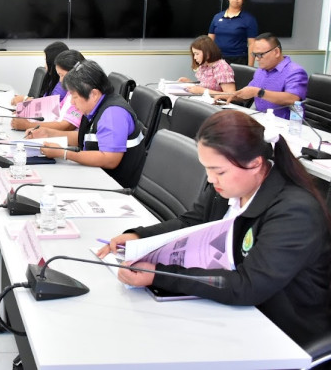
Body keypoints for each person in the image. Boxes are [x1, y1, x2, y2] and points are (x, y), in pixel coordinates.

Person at [98, 110, 331, 348]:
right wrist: (138, 236)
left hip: (282, 332)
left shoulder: (294, 213)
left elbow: (248, 285)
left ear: (255, 164)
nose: (211, 179)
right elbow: (191, 222)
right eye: (207, 169)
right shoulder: (229, 188)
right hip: (231, 310)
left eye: (219, 171)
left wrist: (159, 275)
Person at [38, 60, 146, 188]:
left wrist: (64, 153)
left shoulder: (113, 114)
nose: (72, 102)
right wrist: (48, 133)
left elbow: (110, 159)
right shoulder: (95, 106)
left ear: (94, 94)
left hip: (116, 186)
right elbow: (85, 138)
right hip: (97, 175)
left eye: (75, 97)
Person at [233, 33, 308, 119]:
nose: (257, 59)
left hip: (284, 124)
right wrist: (227, 95)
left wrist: (259, 92)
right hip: (261, 119)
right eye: (255, 55)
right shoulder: (260, 71)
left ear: (276, 52)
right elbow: (248, 93)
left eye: (260, 54)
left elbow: (292, 98)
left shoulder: (295, 71)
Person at [14, 49, 84, 135]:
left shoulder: (80, 95)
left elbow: (67, 126)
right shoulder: (70, 92)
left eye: (62, 75)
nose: (60, 80)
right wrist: (26, 111)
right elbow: (53, 110)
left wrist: (28, 125)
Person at [208, 0, 258, 66]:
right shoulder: (217, 17)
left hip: (239, 59)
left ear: (243, 0)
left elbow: (252, 44)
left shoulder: (249, 19)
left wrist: (250, 66)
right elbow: (210, 40)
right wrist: (208, 59)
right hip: (218, 58)